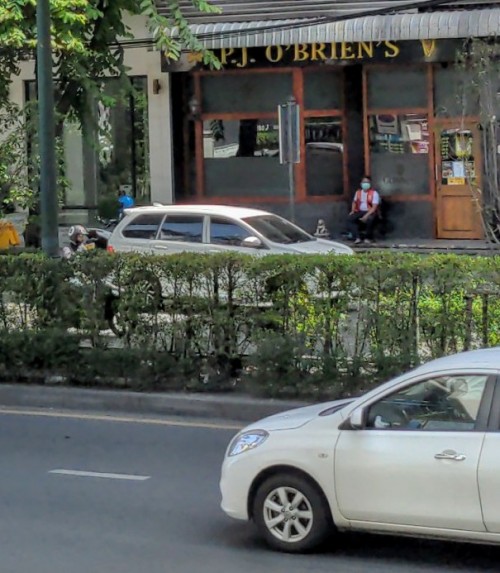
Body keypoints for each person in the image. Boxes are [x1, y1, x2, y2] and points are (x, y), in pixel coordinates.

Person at [347, 176, 381, 244]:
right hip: (360, 211)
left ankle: (368, 238)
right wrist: (352, 210)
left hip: (370, 212)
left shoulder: (374, 193)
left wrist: (366, 216)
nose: (365, 184)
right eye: (364, 182)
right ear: (361, 183)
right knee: (350, 219)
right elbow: (354, 202)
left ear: (370, 183)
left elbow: (374, 208)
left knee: (370, 219)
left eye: (367, 182)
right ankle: (357, 237)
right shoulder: (358, 192)